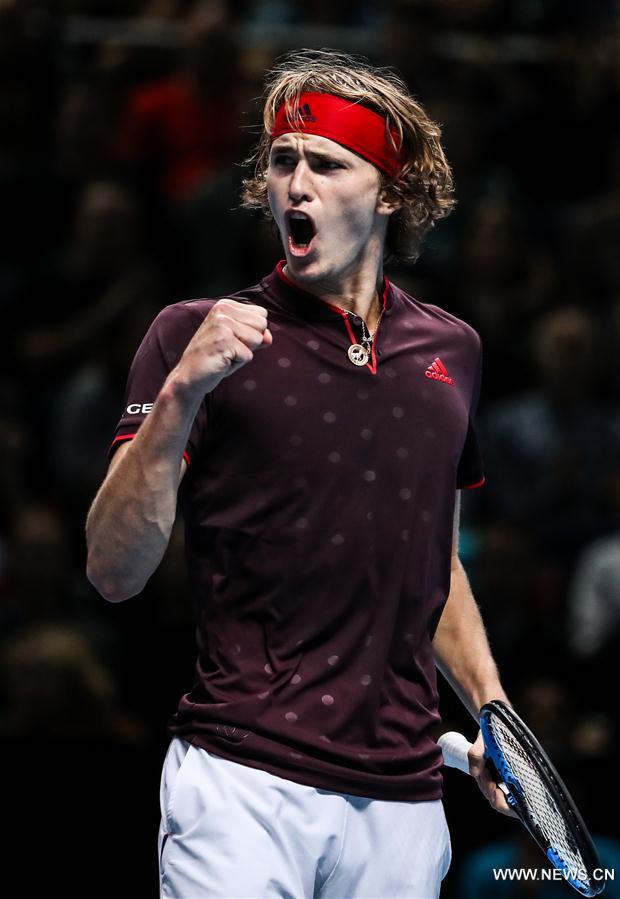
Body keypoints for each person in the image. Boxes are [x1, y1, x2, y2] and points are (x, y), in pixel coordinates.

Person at [86, 48, 513, 899]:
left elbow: (433, 562)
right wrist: (181, 392)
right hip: (240, 781)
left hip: (403, 802)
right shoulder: (192, 333)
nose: (295, 184)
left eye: (327, 164)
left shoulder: (452, 350)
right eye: (282, 161)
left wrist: (491, 708)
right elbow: (112, 571)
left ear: (389, 193)